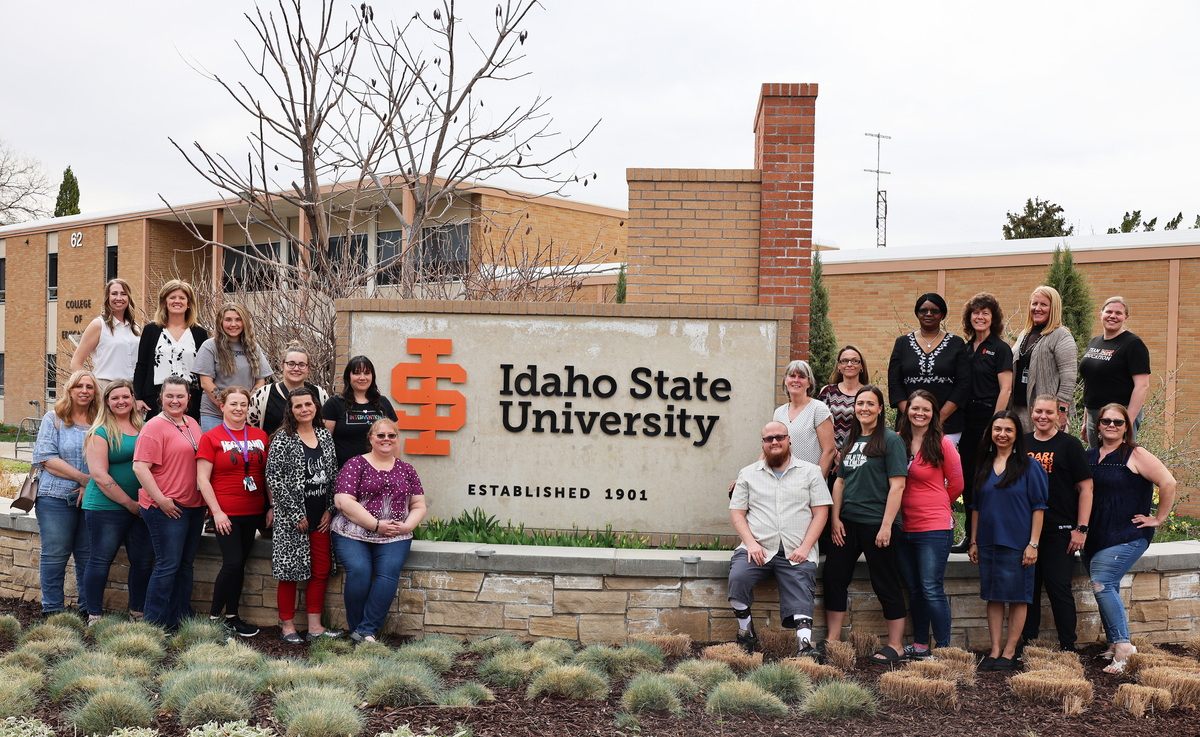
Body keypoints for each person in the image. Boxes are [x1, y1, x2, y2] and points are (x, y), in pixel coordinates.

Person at [1085, 403, 1176, 674]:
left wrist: (1158, 518)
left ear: (1127, 427)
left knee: (1103, 582)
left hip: (1127, 534)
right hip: (1096, 535)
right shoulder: (1089, 456)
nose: (1111, 425)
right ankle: (1114, 643)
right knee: (1104, 585)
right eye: (1106, 421)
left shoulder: (1135, 454)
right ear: (1098, 425)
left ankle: (1124, 648)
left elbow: (1168, 482)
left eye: (1118, 422)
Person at [728, 421, 832, 657]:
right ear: (763, 443)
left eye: (779, 437)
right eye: (768, 439)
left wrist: (806, 548)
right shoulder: (748, 474)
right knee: (738, 579)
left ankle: (804, 647)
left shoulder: (811, 472)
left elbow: (821, 513)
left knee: (801, 585)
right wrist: (752, 544)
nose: (774, 442)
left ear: (788, 440)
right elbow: (737, 514)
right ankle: (746, 632)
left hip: (797, 549)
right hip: (758, 547)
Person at [822, 385, 909, 664]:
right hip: (847, 523)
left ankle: (895, 645)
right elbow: (840, 482)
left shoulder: (891, 440)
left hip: (877, 523)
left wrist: (886, 526)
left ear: (881, 409)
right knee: (834, 578)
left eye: (871, 404)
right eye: (860, 403)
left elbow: (898, 486)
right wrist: (834, 519)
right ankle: (832, 640)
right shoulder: (851, 438)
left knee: (885, 582)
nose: (864, 408)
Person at [331, 418, 427, 643]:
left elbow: (419, 505)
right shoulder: (356, 464)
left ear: (397, 439)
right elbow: (343, 501)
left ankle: (366, 631)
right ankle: (359, 631)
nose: (386, 439)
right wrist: (375, 525)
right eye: (381, 435)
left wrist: (408, 526)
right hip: (353, 532)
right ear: (371, 439)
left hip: (395, 534)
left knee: (388, 573)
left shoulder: (406, 469)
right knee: (360, 571)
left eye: (391, 435)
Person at [968, 410, 1048, 672]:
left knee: (1017, 598)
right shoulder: (983, 464)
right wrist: (974, 541)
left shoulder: (1030, 466)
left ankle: (1010, 651)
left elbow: (1038, 507)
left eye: (1008, 430)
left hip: (1018, 543)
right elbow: (976, 507)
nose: (1002, 434)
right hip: (988, 542)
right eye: (997, 429)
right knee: (993, 597)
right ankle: (994, 650)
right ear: (991, 433)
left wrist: (1033, 544)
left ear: (1017, 435)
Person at [267, 387, 342, 643]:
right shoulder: (282, 438)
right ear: (291, 410)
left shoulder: (324, 435)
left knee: (320, 572)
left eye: (308, 404)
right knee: (289, 574)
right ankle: (287, 628)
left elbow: (333, 475)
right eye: (298, 406)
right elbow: (274, 478)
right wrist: (295, 513)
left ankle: (315, 628)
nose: (304, 409)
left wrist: (330, 510)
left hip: (320, 518)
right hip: (292, 521)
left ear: (315, 406)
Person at [196, 386, 271, 637]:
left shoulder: (260, 435)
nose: (238, 409)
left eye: (243, 404)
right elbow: (202, 480)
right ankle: (214, 618)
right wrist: (215, 512)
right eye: (233, 404)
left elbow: (266, 476)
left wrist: (270, 506)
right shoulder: (211, 437)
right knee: (233, 562)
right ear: (222, 406)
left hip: (254, 511)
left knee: (240, 565)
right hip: (226, 513)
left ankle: (233, 617)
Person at [133, 375, 206, 629]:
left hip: (194, 507)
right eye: (170, 396)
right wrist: (161, 500)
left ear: (189, 399)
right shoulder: (153, 426)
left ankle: (179, 618)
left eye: (180, 396)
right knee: (167, 565)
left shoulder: (192, 423)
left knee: (185, 565)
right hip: (166, 508)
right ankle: (153, 624)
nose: (175, 401)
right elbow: (141, 468)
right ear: (161, 398)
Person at [1021, 395, 1093, 653]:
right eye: (1038, 411)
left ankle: (1068, 647)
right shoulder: (1022, 443)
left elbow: (1086, 488)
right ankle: (1028, 645)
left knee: (1059, 589)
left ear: (1059, 415)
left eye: (1049, 412)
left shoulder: (1070, 445)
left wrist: (1081, 528)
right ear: (1031, 412)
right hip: (1026, 531)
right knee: (1027, 591)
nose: (1043, 417)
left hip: (1059, 530)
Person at [896, 390, 964, 658]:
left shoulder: (942, 442)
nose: (919, 413)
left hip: (934, 528)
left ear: (933, 413)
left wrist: (937, 505)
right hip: (903, 526)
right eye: (915, 408)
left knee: (931, 588)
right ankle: (922, 645)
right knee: (915, 589)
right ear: (907, 410)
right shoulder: (898, 441)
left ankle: (945, 650)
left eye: (926, 409)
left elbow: (957, 482)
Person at [81, 379, 150, 625]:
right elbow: (99, 475)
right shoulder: (99, 432)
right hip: (106, 507)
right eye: (115, 398)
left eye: (125, 396)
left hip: (141, 508)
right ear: (107, 402)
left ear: (133, 399)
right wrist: (131, 505)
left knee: (142, 562)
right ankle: (94, 615)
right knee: (101, 559)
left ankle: (137, 613)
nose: (121, 401)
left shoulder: (144, 427)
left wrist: (143, 503)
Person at [32, 370, 100, 616]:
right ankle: (52, 610)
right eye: (78, 386)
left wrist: (86, 486)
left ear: (95, 393)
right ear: (69, 390)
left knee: (87, 556)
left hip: (91, 499)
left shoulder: (100, 421)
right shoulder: (55, 418)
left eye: (89, 387)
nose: (84, 390)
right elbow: (46, 458)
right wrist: (82, 478)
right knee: (55, 555)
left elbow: (104, 458)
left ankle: (86, 609)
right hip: (54, 498)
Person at [953, 293, 1013, 553]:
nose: (980, 316)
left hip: (989, 418)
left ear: (993, 318)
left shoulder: (999, 348)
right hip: (965, 419)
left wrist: (995, 425)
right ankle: (970, 536)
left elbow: (1006, 389)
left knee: (989, 480)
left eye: (985, 312)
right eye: (975, 312)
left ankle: (990, 537)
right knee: (968, 480)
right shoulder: (965, 348)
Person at [887, 292, 971, 445]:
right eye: (923, 310)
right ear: (917, 314)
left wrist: (938, 418)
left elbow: (963, 384)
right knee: (908, 467)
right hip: (908, 425)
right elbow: (894, 383)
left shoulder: (956, 343)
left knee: (942, 466)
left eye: (935, 311)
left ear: (942, 315)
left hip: (947, 424)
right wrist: (912, 416)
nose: (928, 314)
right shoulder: (902, 343)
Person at [1078, 297, 1151, 448]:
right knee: (1097, 461)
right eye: (1109, 311)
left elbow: (1142, 386)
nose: (1113, 316)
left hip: (1117, 418)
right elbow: (1091, 382)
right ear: (1101, 314)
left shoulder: (1133, 344)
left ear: (1126, 317)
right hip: (1093, 413)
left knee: (1117, 462)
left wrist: (1127, 422)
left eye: (1118, 313)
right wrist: (1086, 420)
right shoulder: (1094, 342)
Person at [133, 279, 208, 421]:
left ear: (189, 303)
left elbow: (205, 370)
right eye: (172, 297)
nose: (177, 301)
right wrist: (138, 398)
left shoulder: (199, 333)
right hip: (156, 399)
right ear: (165, 302)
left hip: (190, 399)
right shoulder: (151, 330)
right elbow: (141, 365)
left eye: (182, 298)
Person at [193, 302, 273, 434]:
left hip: (244, 414)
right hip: (214, 415)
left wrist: (244, 406)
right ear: (220, 322)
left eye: (238, 319)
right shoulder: (210, 346)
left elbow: (260, 381)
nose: (233, 324)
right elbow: (206, 383)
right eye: (228, 320)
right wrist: (226, 406)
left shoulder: (253, 348)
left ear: (244, 322)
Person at [1010, 286, 1076, 434]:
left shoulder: (1061, 335)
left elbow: (1069, 377)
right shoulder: (1024, 334)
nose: (1037, 308)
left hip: (1046, 414)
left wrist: (1062, 410)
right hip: (1020, 409)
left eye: (1044, 304)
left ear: (1054, 308)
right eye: (1034, 304)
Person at [323, 355, 399, 468]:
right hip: (343, 474)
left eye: (367, 373)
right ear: (348, 377)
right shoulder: (334, 404)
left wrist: (397, 470)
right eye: (357, 373)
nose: (362, 377)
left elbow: (395, 440)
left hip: (378, 473)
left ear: (372, 376)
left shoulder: (383, 403)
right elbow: (324, 443)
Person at [70, 278, 142, 389]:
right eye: (114, 294)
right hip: (105, 387)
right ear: (107, 298)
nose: (119, 298)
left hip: (131, 389)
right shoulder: (98, 325)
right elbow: (76, 363)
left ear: (128, 298)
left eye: (123, 294)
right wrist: (91, 386)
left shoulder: (135, 327)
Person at [249, 344, 330, 436]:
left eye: (301, 365)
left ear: (308, 368)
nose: (296, 369)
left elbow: (326, 428)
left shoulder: (320, 394)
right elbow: (250, 430)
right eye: (291, 364)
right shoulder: (263, 394)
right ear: (282, 366)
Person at [772, 360, 836, 474]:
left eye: (801, 377)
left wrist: (817, 482)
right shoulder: (779, 413)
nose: (796, 380)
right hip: (783, 480)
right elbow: (770, 448)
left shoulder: (818, 409)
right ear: (785, 380)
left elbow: (829, 451)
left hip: (809, 481)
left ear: (809, 382)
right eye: (792, 376)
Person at [818, 345, 869, 459]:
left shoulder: (869, 393)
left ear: (861, 366)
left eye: (855, 361)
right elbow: (819, 426)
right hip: (830, 457)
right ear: (839, 366)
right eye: (845, 361)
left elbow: (875, 428)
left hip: (861, 456)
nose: (849, 364)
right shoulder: (827, 392)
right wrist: (835, 454)